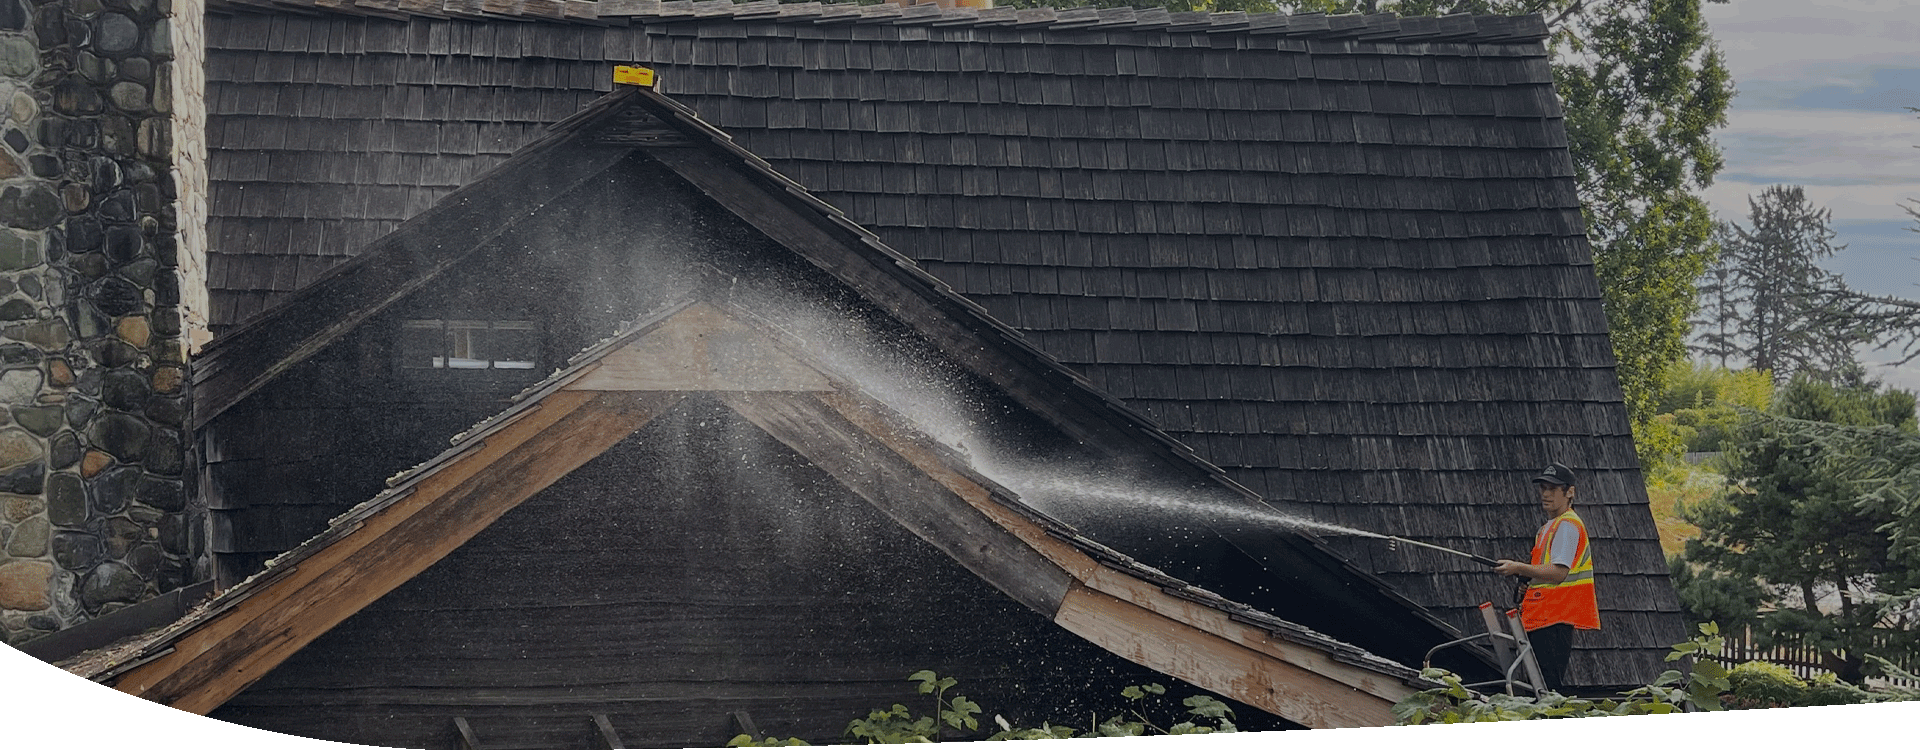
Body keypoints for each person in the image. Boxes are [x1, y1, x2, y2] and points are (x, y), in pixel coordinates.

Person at [1492, 462, 1600, 692]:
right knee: (1538, 690)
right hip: (1543, 616)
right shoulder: (1549, 528)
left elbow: (1558, 573)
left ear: (1569, 492)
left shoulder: (1568, 526)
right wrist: (1526, 579)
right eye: (1543, 488)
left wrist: (1518, 567)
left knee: (1546, 691)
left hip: (1555, 617)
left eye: (1552, 488)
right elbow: (1544, 572)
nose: (1545, 494)